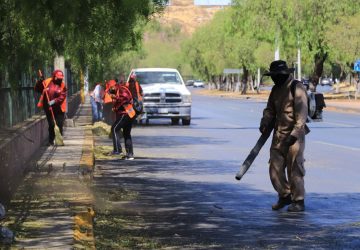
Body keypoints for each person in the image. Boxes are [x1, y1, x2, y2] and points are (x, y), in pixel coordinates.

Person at [259, 60, 310, 212]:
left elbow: (302, 113)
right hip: (278, 135)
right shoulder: (275, 90)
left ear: (284, 74)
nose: (274, 78)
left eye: (276, 75)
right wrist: (264, 122)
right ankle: (285, 195)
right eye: (273, 76)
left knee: (295, 169)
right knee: (274, 168)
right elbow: (269, 110)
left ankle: (298, 201)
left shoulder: (296, 87)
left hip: (294, 136)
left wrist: (294, 134)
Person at [35, 70, 67, 146]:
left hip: (59, 108)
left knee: (59, 124)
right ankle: (50, 141)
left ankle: (59, 139)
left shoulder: (62, 85)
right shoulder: (47, 81)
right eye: (58, 78)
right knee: (52, 124)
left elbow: (62, 96)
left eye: (61, 78)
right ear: (54, 77)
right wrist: (40, 81)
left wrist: (53, 101)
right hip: (49, 108)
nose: (60, 79)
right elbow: (37, 89)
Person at [109, 82, 136, 160]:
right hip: (129, 114)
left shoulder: (122, 90)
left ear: (114, 86)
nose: (111, 90)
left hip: (126, 114)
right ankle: (130, 155)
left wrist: (116, 98)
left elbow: (125, 99)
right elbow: (119, 103)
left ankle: (117, 150)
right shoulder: (118, 90)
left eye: (111, 88)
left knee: (114, 129)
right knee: (126, 133)